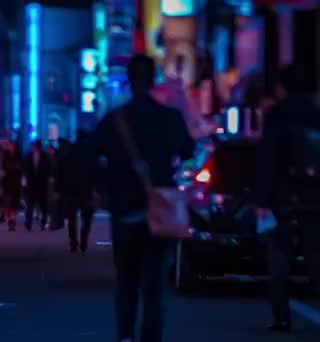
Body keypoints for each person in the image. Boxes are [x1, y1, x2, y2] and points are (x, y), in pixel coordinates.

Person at [89, 54, 195, 342]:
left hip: (124, 208)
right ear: (153, 79)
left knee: (126, 280)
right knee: (154, 285)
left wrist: (107, 185)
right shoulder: (169, 118)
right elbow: (188, 150)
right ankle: (151, 336)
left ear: (128, 79)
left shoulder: (114, 121)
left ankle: (125, 335)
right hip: (159, 208)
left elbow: (89, 155)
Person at [256, 65, 320, 333]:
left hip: (282, 197)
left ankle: (281, 317)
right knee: (316, 258)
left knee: (279, 259)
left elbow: (268, 159)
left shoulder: (276, 115)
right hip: (314, 196)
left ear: (282, 87)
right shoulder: (316, 114)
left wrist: (262, 198)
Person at [63, 131, 97, 253]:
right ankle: (84, 240)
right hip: (87, 189)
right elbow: (97, 171)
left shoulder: (71, 151)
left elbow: (63, 169)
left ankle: (73, 243)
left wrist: (62, 188)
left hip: (72, 189)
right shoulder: (92, 152)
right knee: (87, 218)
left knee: (72, 218)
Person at [24, 140, 50, 231]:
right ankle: (28, 223)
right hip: (31, 184)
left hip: (42, 183)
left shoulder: (45, 156)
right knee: (30, 204)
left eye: (35, 146)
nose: (33, 148)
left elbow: (48, 169)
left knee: (43, 205)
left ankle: (43, 221)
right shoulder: (29, 156)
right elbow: (26, 168)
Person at [1, 140, 23, 231]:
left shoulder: (19, 156)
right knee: (7, 201)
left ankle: (13, 220)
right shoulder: (5, 155)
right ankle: (9, 218)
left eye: (12, 145)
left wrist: (13, 167)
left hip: (16, 181)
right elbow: (3, 167)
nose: (10, 147)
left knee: (14, 201)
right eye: (9, 145)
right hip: (7, 181)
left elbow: (21, 167)